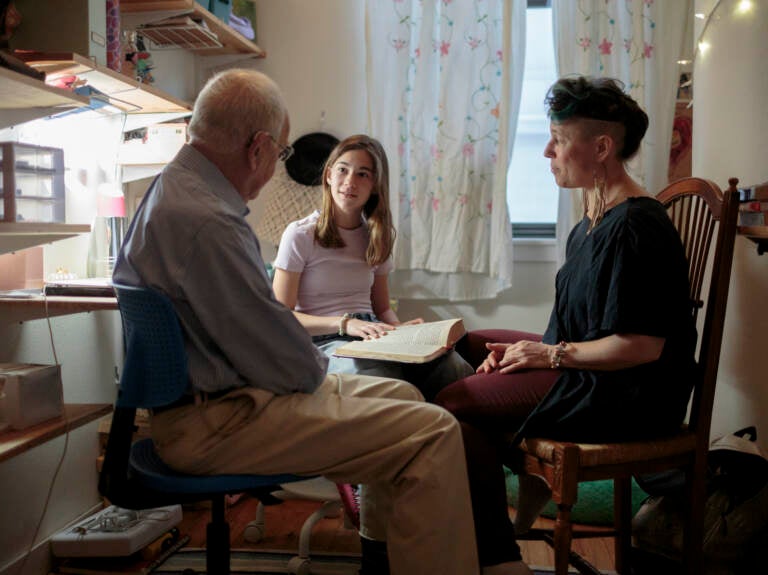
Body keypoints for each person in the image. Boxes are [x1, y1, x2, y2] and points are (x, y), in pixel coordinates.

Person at [112, 69, 479, 575]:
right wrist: (331, 353)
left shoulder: (175, 191)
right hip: (215, 422)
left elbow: (265, 340)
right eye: (282, 153)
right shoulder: (210, 221)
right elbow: (286, 359)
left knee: (409, 397)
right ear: (259, 147)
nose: (275, 167)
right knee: (434, 430)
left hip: (222, 402)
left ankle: (388, 559)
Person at [434, 76, 697, 575]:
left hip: (630, 392)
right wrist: (520, 355)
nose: (547, 152)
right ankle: (516, 483)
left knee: (452, 404)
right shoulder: (591, 223)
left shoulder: (636, 227)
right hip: (596, 371)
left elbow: (642, 346)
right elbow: (572, 328)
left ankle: (496, 555)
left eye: (558, 138)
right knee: (470, 343)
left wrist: (547, 356)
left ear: (601, 147)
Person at [272, 134, 473, 401]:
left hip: (372, 334)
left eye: (362, 174)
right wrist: (345, 324)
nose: (350, 182)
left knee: (454, 367)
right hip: (323, 340)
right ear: (329, 175)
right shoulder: (300, 235)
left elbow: (382, 309)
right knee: (385, 380)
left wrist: (402, 331)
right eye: (343, 170)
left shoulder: (378, 236)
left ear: (375, 185)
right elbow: (281, 316)